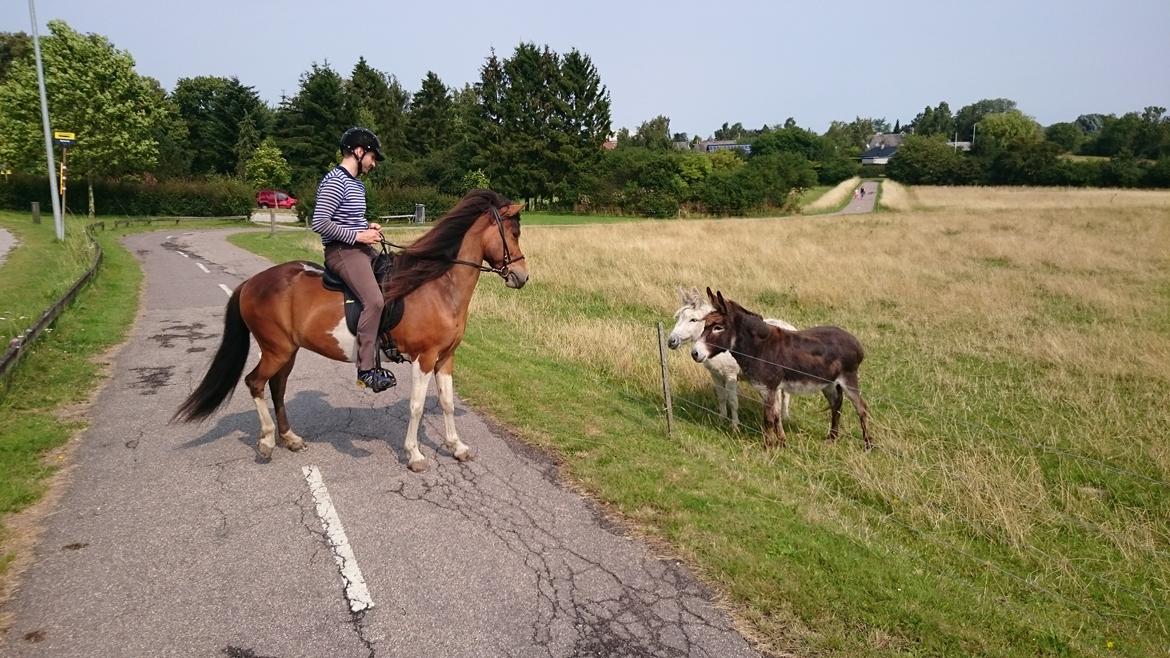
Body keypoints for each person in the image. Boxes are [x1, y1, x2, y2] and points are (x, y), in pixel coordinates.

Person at [311, 127, 395, 392]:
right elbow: (320, 222)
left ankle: (387, 346)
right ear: (359, 152)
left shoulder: (356, 184)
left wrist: (368, 227)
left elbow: (349, 219)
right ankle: (367, 369)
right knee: (374, 300)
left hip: (359, 249)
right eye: (373, 156)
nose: (374, 163)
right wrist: (359, 236)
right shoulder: (335, 180)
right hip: (342, 252)